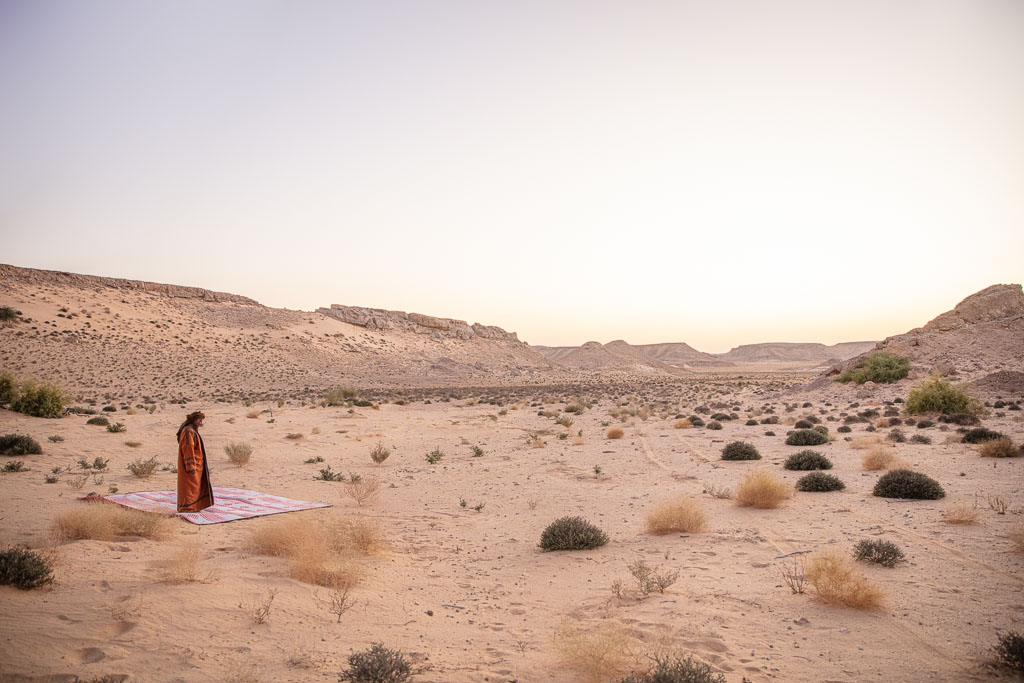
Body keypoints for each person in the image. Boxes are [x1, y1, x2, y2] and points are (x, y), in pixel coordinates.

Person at [176, 410, 214, 512]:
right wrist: (190, 466)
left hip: (197, 464)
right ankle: (188, 507)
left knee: (195, 486)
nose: (201, 423)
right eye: (199, 420)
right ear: (194, 420)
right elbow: (188, 448)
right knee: (189, 487)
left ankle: (195, 506)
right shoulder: (188, 431)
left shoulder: (191, 430)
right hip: (191, 465)